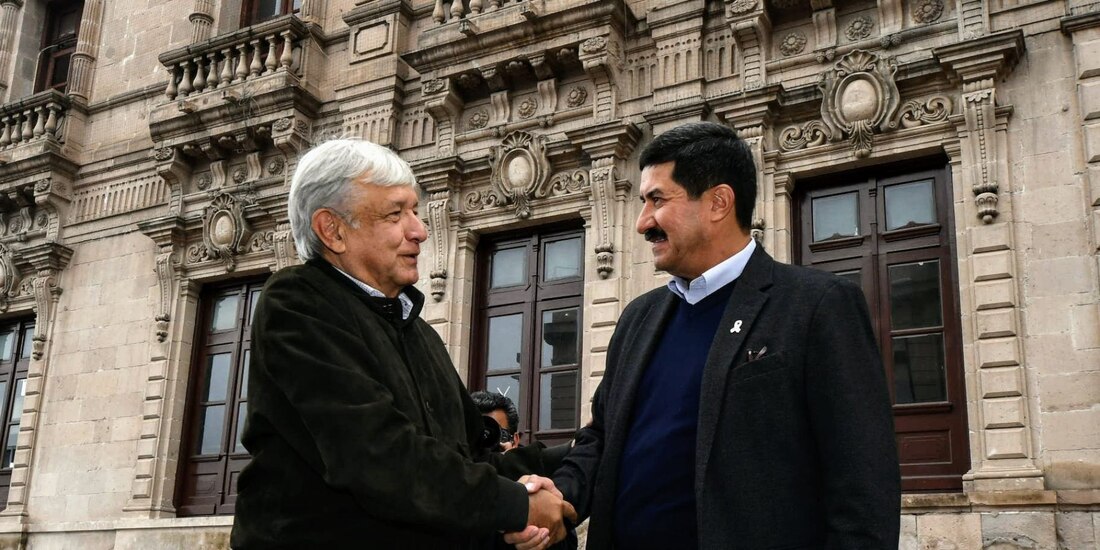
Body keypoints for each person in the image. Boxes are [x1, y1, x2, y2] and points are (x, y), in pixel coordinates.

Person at [512, 121, 900, 549]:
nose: (643, 223)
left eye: (657, 200)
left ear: (718, 202)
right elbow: (601, 438)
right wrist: (559, 496)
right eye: (643, 202)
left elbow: (863, 485)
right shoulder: (638, 318)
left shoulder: (817, 305)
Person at [230, 139, 572, 550]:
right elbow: (378, 458)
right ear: (332, 230)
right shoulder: (297, 303)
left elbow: (470, 457)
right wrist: (517, 506)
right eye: (396, 214)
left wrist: (571, 460)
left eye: (415, 211)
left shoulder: (416, 329)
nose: (420, 231)